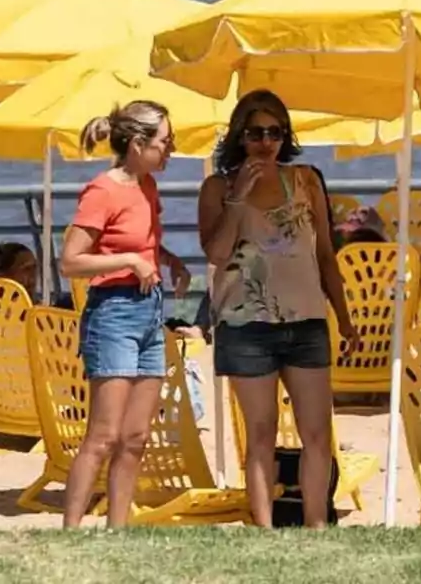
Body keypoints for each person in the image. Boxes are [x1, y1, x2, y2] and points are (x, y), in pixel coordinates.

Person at [197, 88, 357, 530]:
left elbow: (326, 254)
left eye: (275, 132)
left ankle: (316, 526)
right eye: (255, 133)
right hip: (246, 327)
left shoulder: (306, 180)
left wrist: (343, 317)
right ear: (239, 136)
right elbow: (215, 253)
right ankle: (264, 531)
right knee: (262, 432)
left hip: (306, 321)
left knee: (318, 432)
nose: (266, 142)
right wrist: (237, 198)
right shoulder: (217, 186)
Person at [57, 101, 191, 529]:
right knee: (103, 436)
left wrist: (168, 259)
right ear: (137, 144)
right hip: (112, 314)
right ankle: (71, 531)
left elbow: (138, 243)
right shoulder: (102, 190)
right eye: (165, 142)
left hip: (150, 312)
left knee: (135, 437)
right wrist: (132, 261)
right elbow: (71, 261)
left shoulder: (147, 186)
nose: (171, 150)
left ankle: (118, 532)